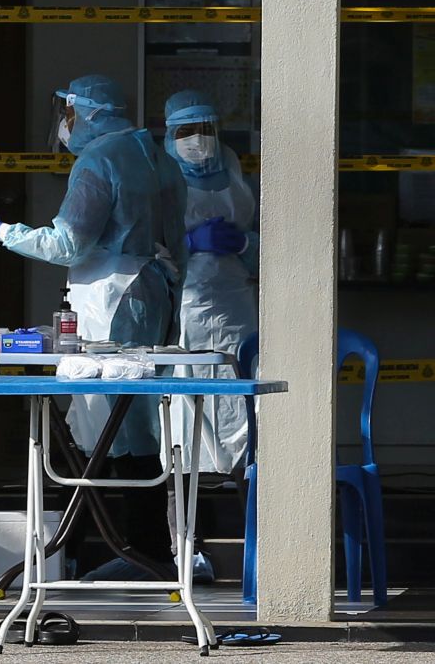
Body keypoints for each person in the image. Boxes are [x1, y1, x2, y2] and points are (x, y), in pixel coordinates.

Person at [0, 75, 188, 580]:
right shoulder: (156, 155)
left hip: (112, 301)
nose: (64, 123)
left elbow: (69, 245)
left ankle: (130, 551)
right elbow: (174, 242)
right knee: (131, 427)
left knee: (105, 429)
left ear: (88, 113)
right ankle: (133, 549)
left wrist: (2, 232)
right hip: (151, 296)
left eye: (68, 112)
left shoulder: (98, 161)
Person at [162, 90, 259, 583]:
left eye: (204, 128)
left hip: (239, 312)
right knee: (183, 432)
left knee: (249, 427)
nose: (196, 140)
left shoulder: (237, 170)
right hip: (185, 316)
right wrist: (184, 246)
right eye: (183, 131)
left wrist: (244, 243)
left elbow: (273, 241)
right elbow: (142, 246)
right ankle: (186, 550)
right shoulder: (160, 180)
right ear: (167, 135)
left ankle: (262, 546)